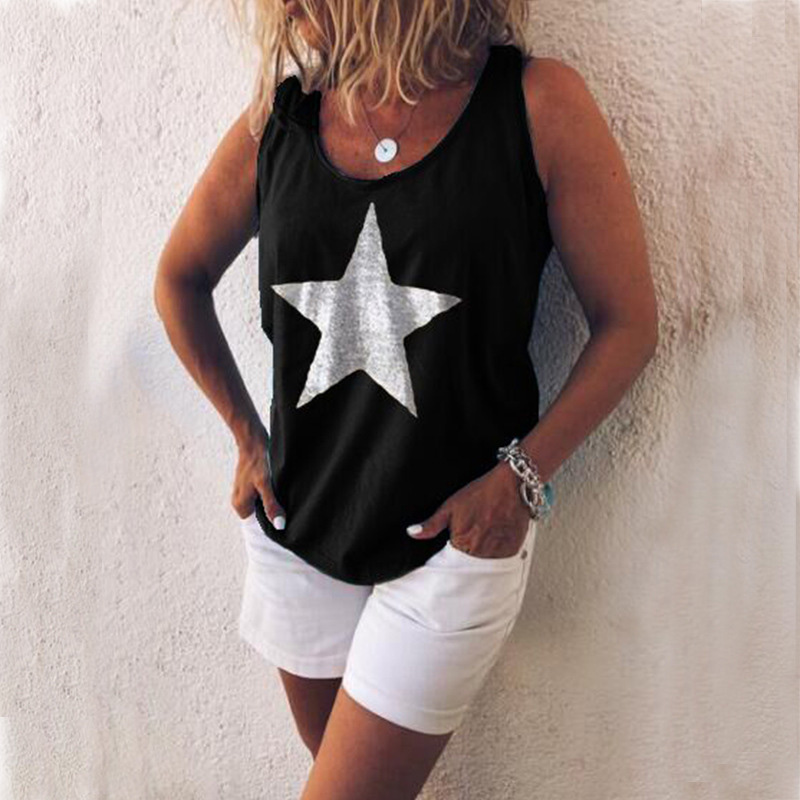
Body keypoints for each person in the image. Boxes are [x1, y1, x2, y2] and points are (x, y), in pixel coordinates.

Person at [153, 0, 658, 796]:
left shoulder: (537, 105)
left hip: (452, 549)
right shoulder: (281, 120)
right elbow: (179, 279)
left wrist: (521, 479)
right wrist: (247, 438)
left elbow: (628, 324)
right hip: (299, 534)